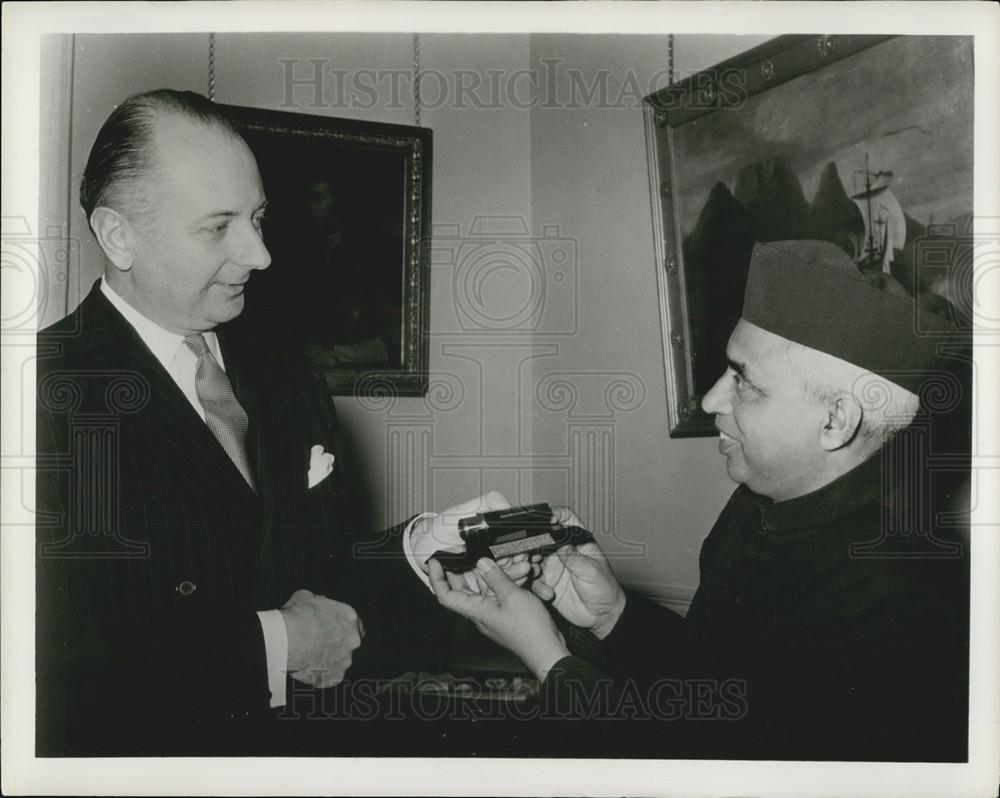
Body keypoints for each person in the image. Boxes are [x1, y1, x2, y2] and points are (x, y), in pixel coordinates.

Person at [423, 240, 970, 761]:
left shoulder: (904, 603)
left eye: (743, 381)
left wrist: (549, 660)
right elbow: (722, 693)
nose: (711, 399)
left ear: (835, 421)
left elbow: (709, 771)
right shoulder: (759, 502)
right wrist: (613, 616)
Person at [35, 90, 366, 755]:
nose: (262, 254)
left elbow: (308, 566)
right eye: (218, 226)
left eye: (258, 216)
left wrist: (424, 552)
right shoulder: (38, 396)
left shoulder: (286, 373)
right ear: (117, 235)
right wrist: (280, 641)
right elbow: (61, 662)